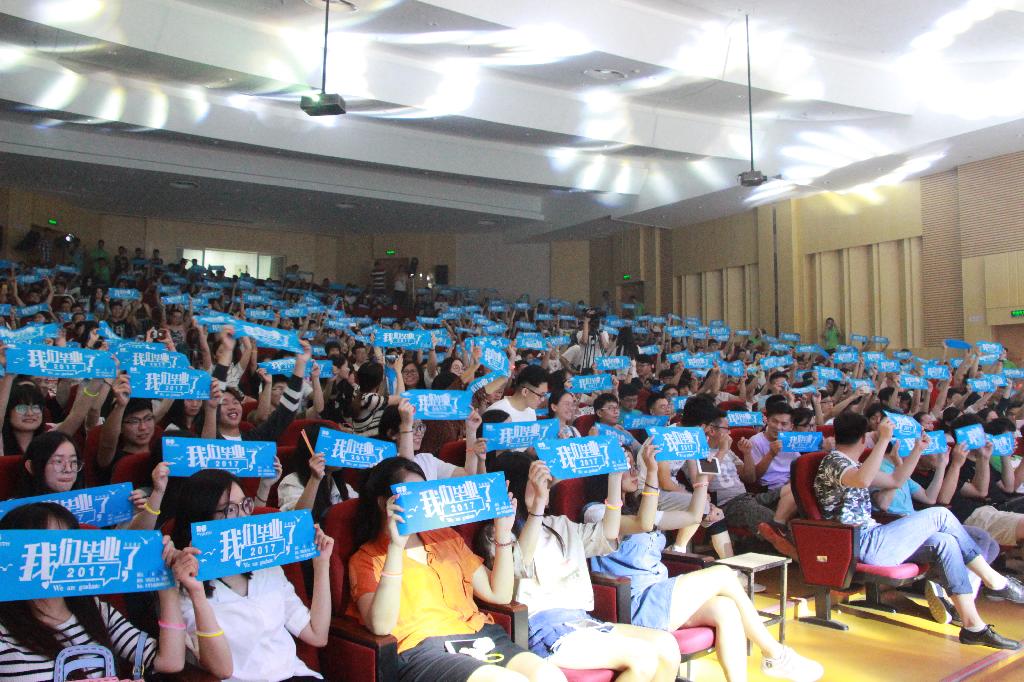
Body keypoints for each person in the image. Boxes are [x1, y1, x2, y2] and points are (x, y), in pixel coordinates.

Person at [581, 444, 824, 681]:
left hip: (659, 592)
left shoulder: (638, 509)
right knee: (723, 574)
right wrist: (652, 473)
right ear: (606, 474)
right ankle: (775, 654)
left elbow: (692, 516)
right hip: (633, 602)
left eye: (634, 466)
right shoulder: (595, 512)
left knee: (725, 609)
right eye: (624, 467)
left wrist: (702, 481)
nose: (634, 472)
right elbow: (642, 524)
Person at [814, 411, 1023, 649]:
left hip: (874, 538)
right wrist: (883, 440)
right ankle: (993, 579)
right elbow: (862, 480)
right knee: (941, 514)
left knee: (945, 541)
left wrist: (917, 450)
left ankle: (972, 626)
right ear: (863, 439)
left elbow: (895, 480)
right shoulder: (833, 462)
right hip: (858, 541)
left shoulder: (855, 465)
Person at [348, 457, 559, 682]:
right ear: (384, 504)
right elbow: (380, 626)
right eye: (411, 494)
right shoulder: (366, 558)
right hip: (424, 651)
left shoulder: (446, 537)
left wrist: (503, 532)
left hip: (478, 634)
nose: (420, 501)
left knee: (548, 674)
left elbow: (499, 594)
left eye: (424, 493)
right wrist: (395, 546)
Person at [484, 452, 681, 681]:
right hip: (544, 627)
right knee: (642, 659)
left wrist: (614, 478)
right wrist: (536, 508)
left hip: (581, 619)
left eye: (544, 482)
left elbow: (608, 532)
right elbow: (519, 565)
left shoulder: (559, 524)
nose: (545, 488)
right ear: (515, 488)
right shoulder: (498, 534)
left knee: (666, 646)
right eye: (536, 482)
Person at [0, 502, 216, 681]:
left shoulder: (94, 609)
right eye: (48, 546)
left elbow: (169, 661)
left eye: (68, 545)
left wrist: (165, 584)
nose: (61, 555)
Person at [171, 470, 334, 681]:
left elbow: (317, 635)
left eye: (245, 505)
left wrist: (322, 564)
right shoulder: (184, 584)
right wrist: (197, 592)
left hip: (295, 674)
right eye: (230, 509)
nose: (243, 517)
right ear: (202, 518)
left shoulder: (264, 564)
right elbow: (222, 670)